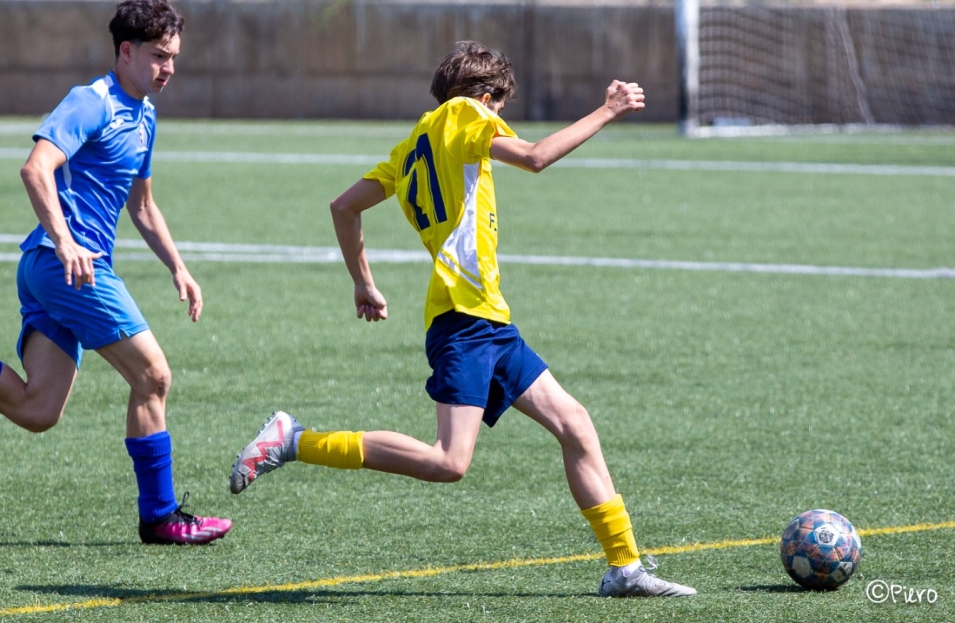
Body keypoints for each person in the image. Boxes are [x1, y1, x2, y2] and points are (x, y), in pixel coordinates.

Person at [229, 41, 694, 597]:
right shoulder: (467, 113)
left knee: (575, 424)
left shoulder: (412, 146)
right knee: (449, 461)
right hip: (462, 321)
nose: (499, 121)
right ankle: (293, 441)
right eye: (501, 108)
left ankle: (625, 568)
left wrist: (363, 280)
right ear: (488, 96)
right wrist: (609, 110)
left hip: (489, 320)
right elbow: (536, 156)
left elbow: (343, 206)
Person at [0, 0, 230, 546]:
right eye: (158, 56)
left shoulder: (145, 116)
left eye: (173, 56)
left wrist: (179, 267)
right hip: (65, 265)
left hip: (50, 269)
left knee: (38, 409)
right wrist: (65, 240)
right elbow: (35, 170)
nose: (168, 68)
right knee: (153, 377)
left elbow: (143, 206)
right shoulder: (92, 101)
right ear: (126, 51)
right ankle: (161, 515)